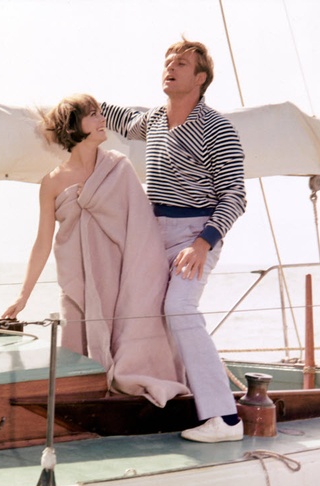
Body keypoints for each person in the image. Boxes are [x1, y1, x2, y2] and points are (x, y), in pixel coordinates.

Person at [101, 38, 247, 442]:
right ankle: (156, 388)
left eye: (181, 63)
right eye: (168, 61)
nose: (170, 66)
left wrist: (203, 243)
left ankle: (226, 419)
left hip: (195, 235)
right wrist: (79, 106)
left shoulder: (217, 128)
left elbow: (235, 194)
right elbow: (117, 118)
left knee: (179, 307)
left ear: (200, 78)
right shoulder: (153, 120)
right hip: (152, 232)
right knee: (133, 307)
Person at [2, 93, 189, 407]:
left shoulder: (118, 167)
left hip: (120, 275)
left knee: (124, 341)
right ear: (73, 126)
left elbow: (142, 229)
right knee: (76, 355)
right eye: (93, 115)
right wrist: (23, 296)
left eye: (101, 113)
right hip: (77, 282)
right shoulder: (51, 183)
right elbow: (42, 242)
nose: (103, 120)